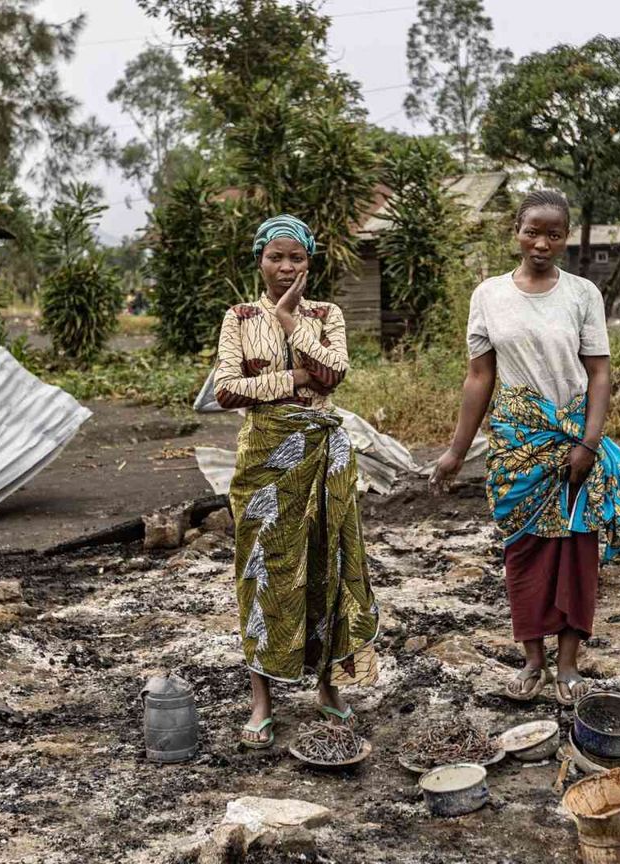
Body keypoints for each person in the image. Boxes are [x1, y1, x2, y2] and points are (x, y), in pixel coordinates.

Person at [430, 190, 620, 706]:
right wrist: (457, 451)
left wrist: (589, 444)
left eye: (554, 234)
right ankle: (532, 660)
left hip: (573, 440)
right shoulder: (488, 295)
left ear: (566, 237)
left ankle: (568, 665)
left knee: (577, 552)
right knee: (523, 551)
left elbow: (599, 374)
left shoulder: (581, 294)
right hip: (515, 445)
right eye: (533, 231)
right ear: (516, 230)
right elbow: (479, 376)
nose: (542, 243)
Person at [212, 214, 379, 749]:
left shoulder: (327, 315)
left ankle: (328, 689)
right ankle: (262, 699)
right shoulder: (237, 318)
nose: (286, 268)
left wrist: (290, 327)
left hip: (322, 456)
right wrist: (294, 377)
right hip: (263, 459)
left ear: (310, 262)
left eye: (297, 258)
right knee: (261, 569)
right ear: (259, 259)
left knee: (327, 565)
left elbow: (333, 375)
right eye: (275, 257)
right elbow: (227, 391)